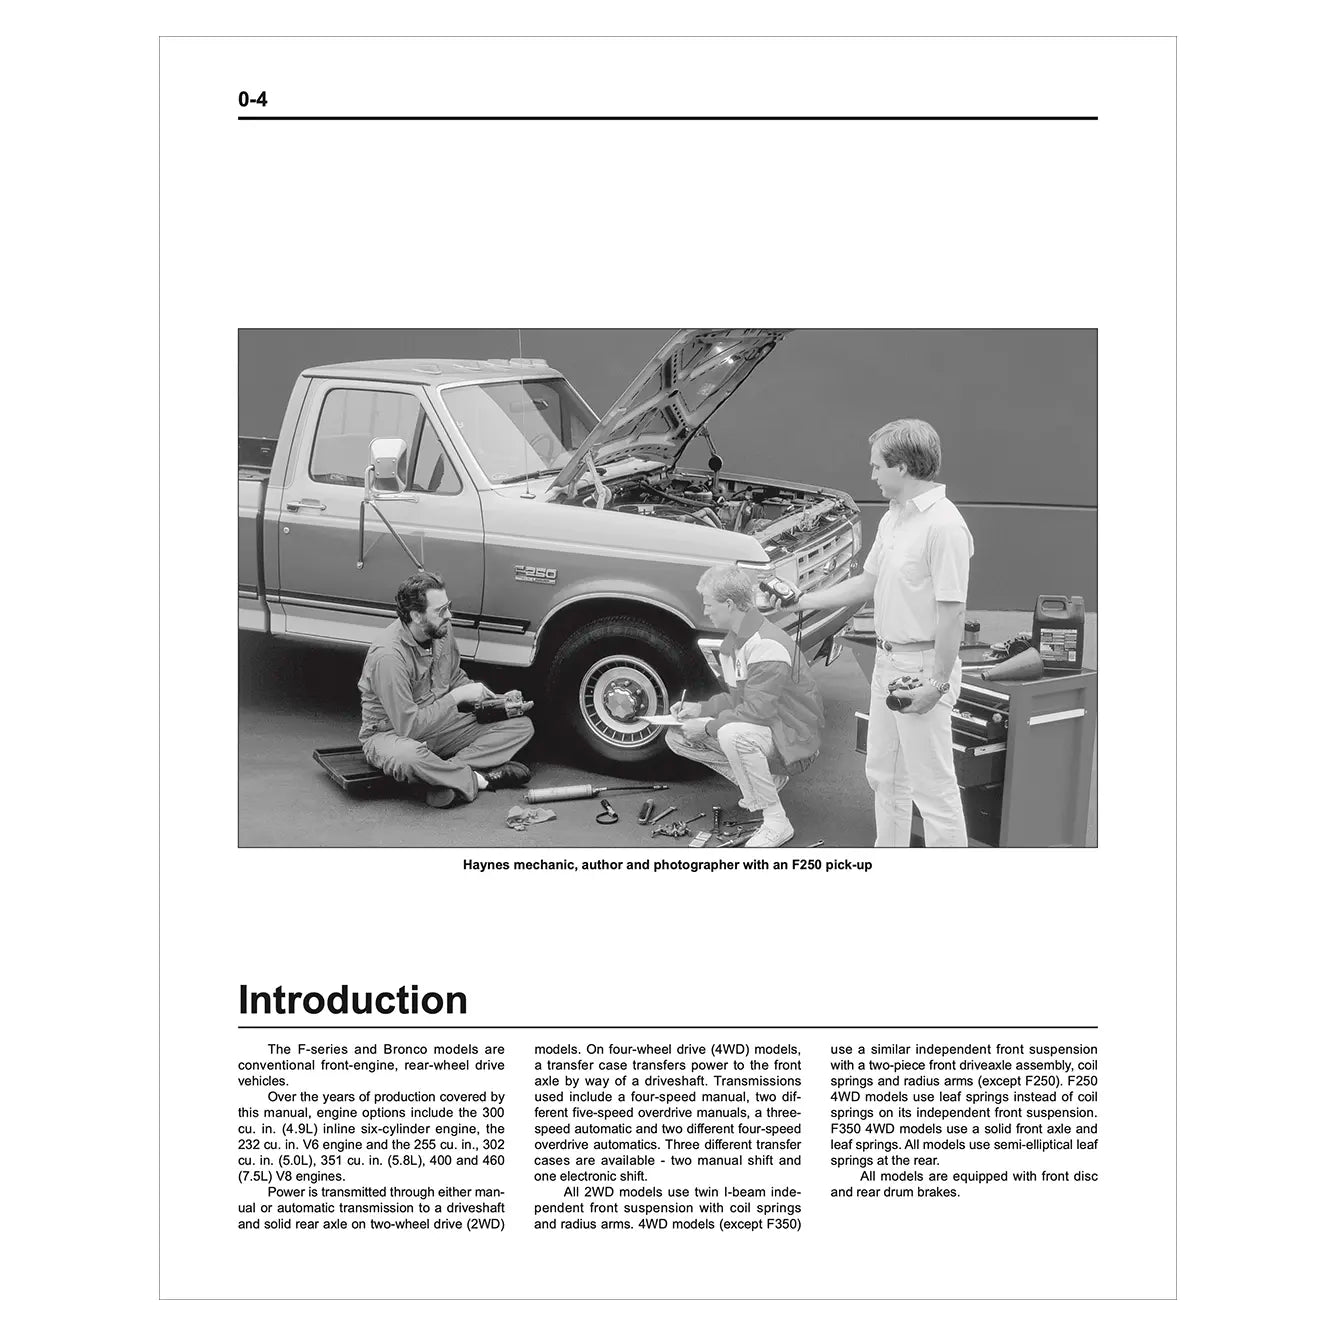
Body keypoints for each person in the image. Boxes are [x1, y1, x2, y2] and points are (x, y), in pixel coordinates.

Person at [794, 419, 973, 847]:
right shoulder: (894, 517)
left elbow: (953, 615)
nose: (871, 475)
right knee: (885, 777)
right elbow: (865, 583)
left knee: (934, 792)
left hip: (923, 668)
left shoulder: (944, 527)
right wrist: (800, 601)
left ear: (904, 467)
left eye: (877, 466)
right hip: (888, 662)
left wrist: (937, 684)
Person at [666, 565, 824, 848]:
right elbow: (739, 700)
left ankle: (776, 822)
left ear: (728, 604)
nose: (706, 611)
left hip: (796, 746)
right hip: (775, 734)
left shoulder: (765, 645)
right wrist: (699, 709)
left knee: (731, 735)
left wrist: (707, 727)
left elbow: (757, 711)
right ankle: (766, 782)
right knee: (676, 736)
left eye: (709, 604)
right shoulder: (736, 641)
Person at [358, 572, 533, 808]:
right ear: (416, 616)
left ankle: (443, 776)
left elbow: (454, 677)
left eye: (448, 606)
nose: (449, 615)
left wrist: (495, 700)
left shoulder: (440, 630)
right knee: (410, 758)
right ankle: (479, 779)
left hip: (441, 725)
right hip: (392, 734)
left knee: (520, 726)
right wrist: (456, 697)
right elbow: (409, 727)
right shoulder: (388, 656)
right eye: (441, 611)